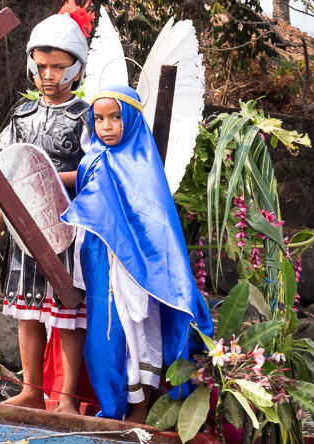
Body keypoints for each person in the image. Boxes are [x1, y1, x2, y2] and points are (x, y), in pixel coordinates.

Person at [61, 85, 213, 423]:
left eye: (115, 118)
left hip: (134, 269)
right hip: (101, 262)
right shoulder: (92, 160)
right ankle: (111, 404)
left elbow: (154, 223)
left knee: (135, 335)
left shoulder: (142, 165)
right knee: (103, 337)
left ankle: (140, 408)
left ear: (129, 120)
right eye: (98, 119)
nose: (106, 126)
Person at [0, 0, 93, 414]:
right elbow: (6, 175)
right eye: (42, 66)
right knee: (27, 313)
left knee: (67, 313)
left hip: (67, 227)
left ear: (76, 67)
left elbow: (94, 172)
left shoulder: (87, 116)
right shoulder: (22, 114)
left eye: (59, 67)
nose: (49, 75)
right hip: (22, 228)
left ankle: (66, 399)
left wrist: (45, 179)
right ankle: (31, 390)